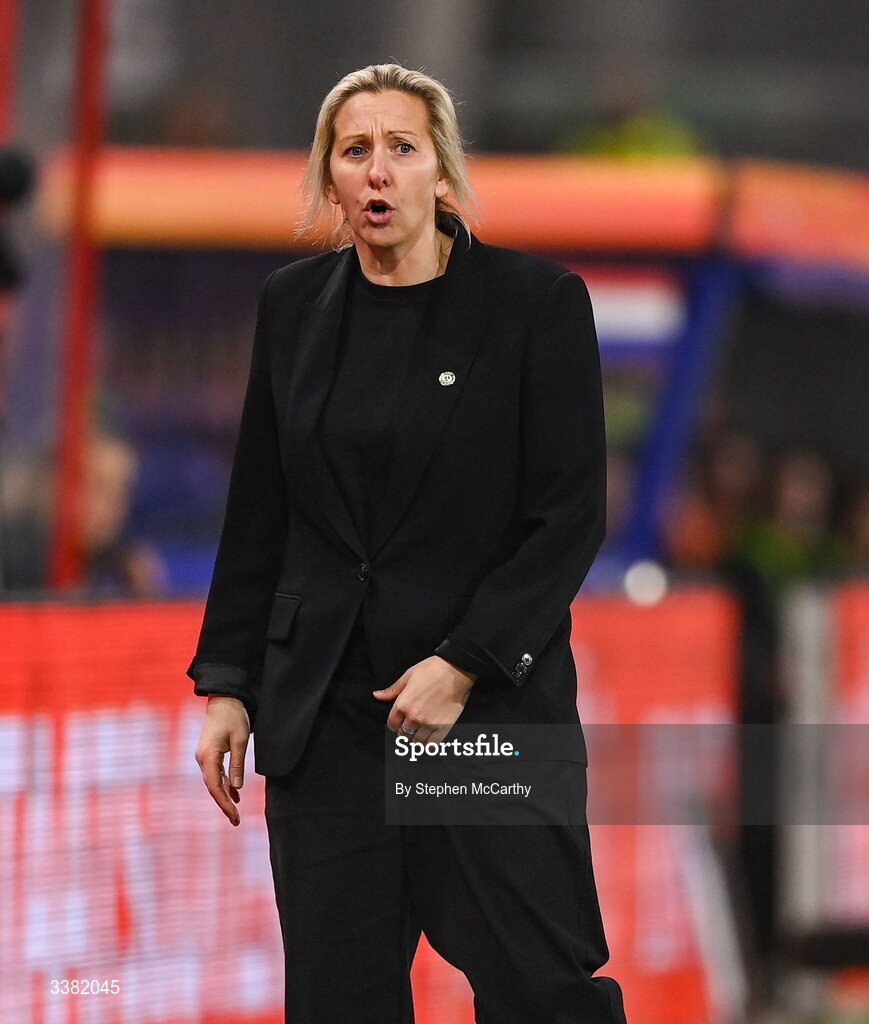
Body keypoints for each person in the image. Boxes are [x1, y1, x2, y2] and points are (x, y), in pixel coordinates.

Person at [190, 63, 626, 1024]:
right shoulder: (291, 309)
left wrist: (465, 663)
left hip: (484, 716)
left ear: (441, 173)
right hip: (330, 721)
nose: (377, 172)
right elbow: (261, 509)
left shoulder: (535, 304)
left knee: (541, 994)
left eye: (401, 148)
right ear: (329, 179)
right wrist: (228, 680)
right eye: (355, 152)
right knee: (339, 1003)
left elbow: (567, 518)